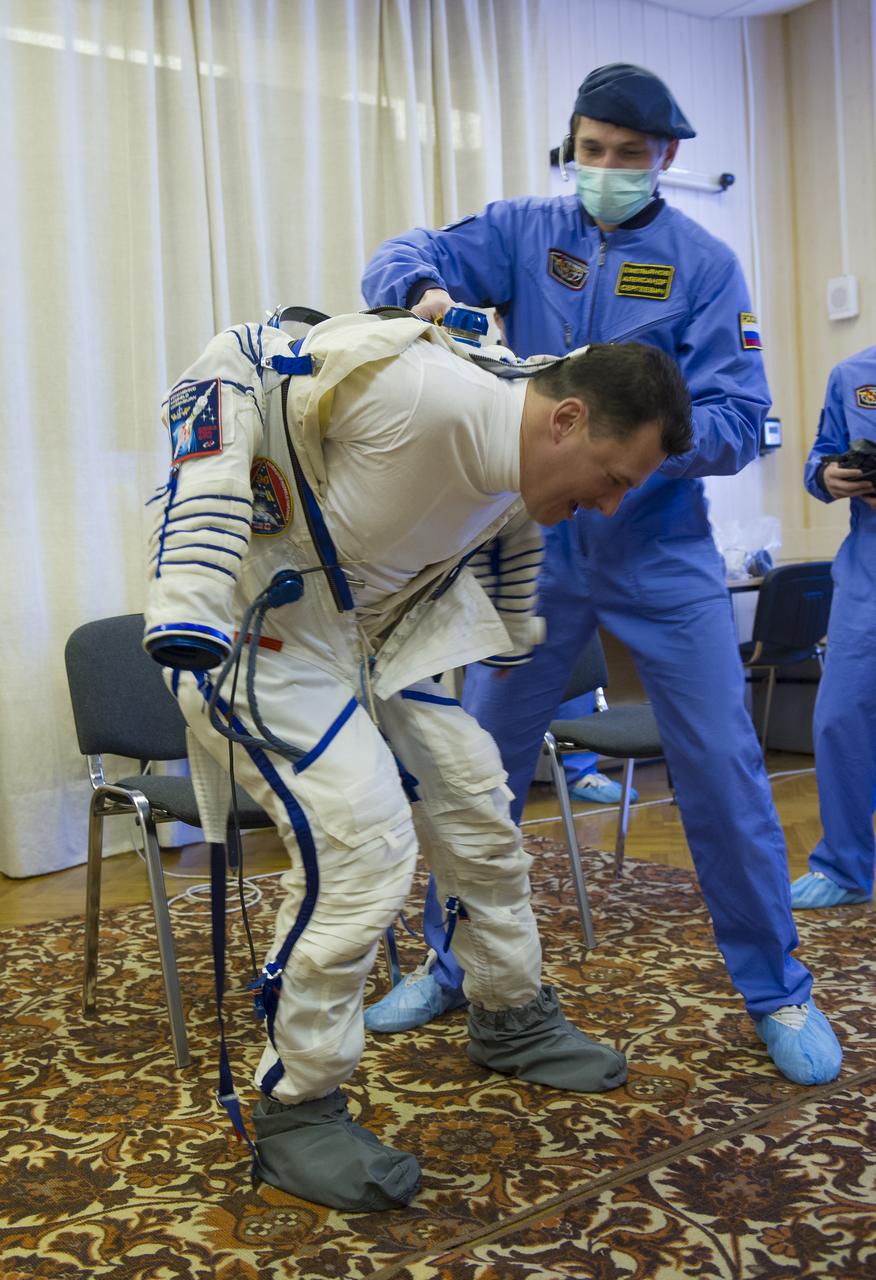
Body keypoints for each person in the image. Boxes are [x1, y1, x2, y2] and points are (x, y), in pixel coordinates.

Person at [143, 306, 693, 1212]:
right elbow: (232, 360)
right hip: (254, 638)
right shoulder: (417, 393)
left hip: (363, 641)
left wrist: (512, 616)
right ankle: (296, 1107)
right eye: (610, 477)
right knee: (366, 848)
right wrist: (191, 579)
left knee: (477, 795)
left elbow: (501, 516)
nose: (608, 504)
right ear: (565, 421)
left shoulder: (524, 435)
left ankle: (510, 1016)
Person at [360, 62, 844, 1089]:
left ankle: (777, 987)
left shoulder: (704, 265)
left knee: (720, 762)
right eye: (593, 150)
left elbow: (739, 418)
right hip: (532, 543)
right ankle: (457, 963)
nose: (608, 170)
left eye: (631, 155)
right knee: (474, 764)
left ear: (667, 158)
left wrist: (634, 448)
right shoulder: (524, 230)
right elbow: (400, 254)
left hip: (658, 544)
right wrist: (426, 293)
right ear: (572, 144)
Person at [791, 347, 876, 909]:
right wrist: (829, 474)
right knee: (839, 718)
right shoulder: (852, 375)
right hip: (867, 573)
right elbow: (818, 462)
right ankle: (844, 868)